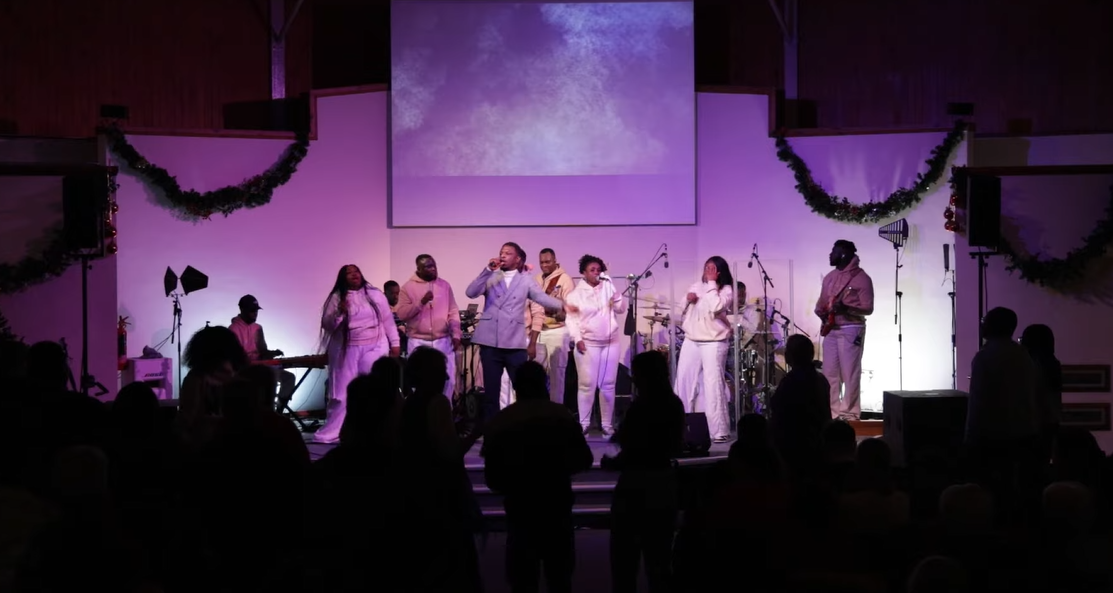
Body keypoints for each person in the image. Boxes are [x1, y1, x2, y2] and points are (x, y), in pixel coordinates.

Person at [481, 361, 593, 593]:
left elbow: (492, 477)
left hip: (520, 511)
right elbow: (584, 459)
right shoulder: (561, 415)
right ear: (544, 384)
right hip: (556, 507)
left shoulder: (502, 421)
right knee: (559, 580)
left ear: (516, 387)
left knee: (523, 582)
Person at [465, 242, 570, 428]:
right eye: (501, 252)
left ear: (518, 258)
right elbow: (471, 292)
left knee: (523, 390)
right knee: (491, 393)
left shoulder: (525, 280)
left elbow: (541, 298)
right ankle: (492, 432)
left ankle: (524, 430)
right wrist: (487, 270)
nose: (503, 255)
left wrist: (563, 305)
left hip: (514, 342)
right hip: (490, 342)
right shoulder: (492, 276)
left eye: (508, 253)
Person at [316, 264, 401, 444]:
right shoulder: (337, 297)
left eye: (356, 271)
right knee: (341, 392)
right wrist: (340, 313)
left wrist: (395, 342)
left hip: (375, 344)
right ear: (343, 278)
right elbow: (327, 325)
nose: (354, 275)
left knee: (374, 387)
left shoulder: (374, 294)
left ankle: (375, 428)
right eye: (349, 273)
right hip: (347, 347)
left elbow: (387, 320)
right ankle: (335, 430)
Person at [674, 256, 735, 442]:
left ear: (719, 272)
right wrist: (687, 299)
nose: (708, 271)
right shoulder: (696, 286)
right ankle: (680, 427)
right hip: (692, 338)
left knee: (713, 384)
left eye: (712, 268)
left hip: (714, 341)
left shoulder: (726, 290)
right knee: (683, 380)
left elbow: (716, 305)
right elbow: (679, 310)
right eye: (706, 267)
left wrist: (711, 284)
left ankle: (718, 431)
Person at [566, 254, 627, 436]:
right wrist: (577, 339)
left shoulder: (607, 288)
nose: (596, 273)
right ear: (584, 272)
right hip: (588, 343)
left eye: (599, 270)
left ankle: (607, 424)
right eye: (592, 270)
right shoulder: (576, 294)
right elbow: (571, 320)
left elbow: (621, 309)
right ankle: (584, 423)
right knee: (586, 384)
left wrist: (614, 290)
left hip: (610, 342)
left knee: (608, 384)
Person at [815, 240, 874, 421]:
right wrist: (821, 311)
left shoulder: (862, 278)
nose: (830, 254)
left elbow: (868, 308)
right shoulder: (830, 277)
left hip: (851, 328)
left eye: (833, 251)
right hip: (831, 328)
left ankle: (850, 413)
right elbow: (822, 303)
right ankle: (832, 413)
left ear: (843, 254)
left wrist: (846, 308)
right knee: (829, 374)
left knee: (850, 373)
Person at [395, 254, 462, 400]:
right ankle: (422, 410)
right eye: (428, 267)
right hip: (418, 341)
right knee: (419, 381)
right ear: (418, 269)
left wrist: (456, 334)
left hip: (442, 340)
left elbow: (453, 311)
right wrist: (421, 302)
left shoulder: (444, 285)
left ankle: (445, 409)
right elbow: (402, 314)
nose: (433, 269)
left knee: (448, 380)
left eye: (434, 265)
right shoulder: (407, 287)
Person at [768, 334, 831, 478]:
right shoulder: (821, 378)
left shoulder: (792, 380)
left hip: (795, 444)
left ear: (791, 355)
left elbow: (777, 407)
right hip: (818, 441)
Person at [229, 294, 296, 414]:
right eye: (252, 310)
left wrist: (272, 353)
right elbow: (237, 357)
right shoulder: (233, 329)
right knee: (269, 377)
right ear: (242, 309)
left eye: (256, 310)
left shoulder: (258, 328)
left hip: (261, 367)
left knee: (289, 378)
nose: (255, 313)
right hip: (245, 370)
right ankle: (266, 412)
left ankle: (279, 410)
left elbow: (263, 352)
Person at [535, 248, 576, 405]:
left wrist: (557, 309)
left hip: (557, 330)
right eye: (541, 262)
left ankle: (556, 410)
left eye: (547, 262)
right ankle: (538, 408)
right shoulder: (537, 278)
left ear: (555, 261)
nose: (544, 265)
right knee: (536, 373)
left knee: (557, 374)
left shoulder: (565, 279)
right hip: (538, 330)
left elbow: (570, 307)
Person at [384, 280, 408, 354]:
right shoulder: (381, 308)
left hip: (404, 343)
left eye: (397, 293)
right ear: (385, 293)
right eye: (392, 293)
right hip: (388, 344)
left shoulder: (404, 306)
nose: (396, 296)